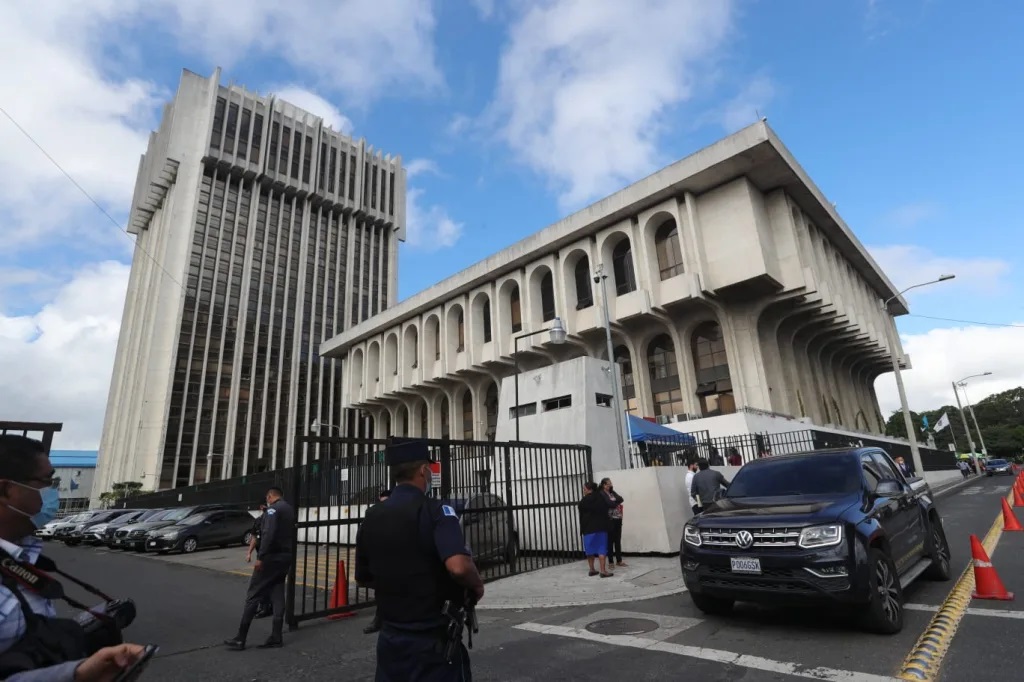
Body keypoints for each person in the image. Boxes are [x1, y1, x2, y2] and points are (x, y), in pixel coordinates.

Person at [0, 435, 147, 681]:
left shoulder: (16, 557)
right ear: (6, 490)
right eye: (47, 482)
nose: (53, 493)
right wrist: (74, 676)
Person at [355, 438, 484, 682]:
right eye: (430, 469)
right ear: (424, 471)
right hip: (431, 640)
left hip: (390, 638)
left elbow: (363, 578)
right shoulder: (437, 510)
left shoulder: (371, 515)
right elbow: (458, 566)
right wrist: (477, 585)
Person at [224, 487, 295, 651]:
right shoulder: (289, 509)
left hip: (271, 558)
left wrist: (261, 557)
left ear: (270, 496)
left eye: (267, 498)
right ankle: (276, 636)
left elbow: (268, 534)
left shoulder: (272, 510)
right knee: (278, 594)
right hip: (285, 557)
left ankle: (241, 638)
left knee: (253, 595)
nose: (267, 501)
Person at [362, 488, 392, 636]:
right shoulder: (373, 513)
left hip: (394, 558)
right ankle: (379, 620)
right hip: (381, 560)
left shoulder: (398, 512)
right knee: (381, 592)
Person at [578, 481, 617, 578]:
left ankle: (592, 569)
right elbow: (611, 505)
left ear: (589, 489)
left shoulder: (583, 501)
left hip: (587, 529)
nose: (583, 491)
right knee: (601, 549)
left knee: (589, 550)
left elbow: (581, 515)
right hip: (600, 527)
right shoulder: (600, 498)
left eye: (584, 489)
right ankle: (603, 571)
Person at [600, 478, 626, 568]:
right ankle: (611, 561)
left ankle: (619, 560)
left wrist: (614, 502)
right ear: (603, 485)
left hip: (618, 518)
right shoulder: (602, 493)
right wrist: (615, 503)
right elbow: (609, 504)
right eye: (608, 484)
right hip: (610, 519)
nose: (610, 485)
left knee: (617, 540)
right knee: (610, 541)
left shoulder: (612, 492)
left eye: (610, 483)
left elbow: (621, 499)